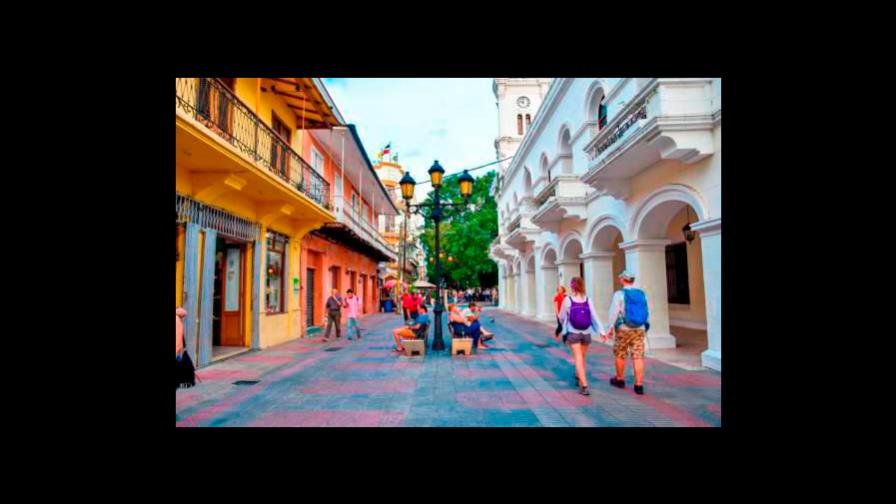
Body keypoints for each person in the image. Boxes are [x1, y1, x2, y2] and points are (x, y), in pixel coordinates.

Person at [558, 277, 606, 396]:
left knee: (578, 358)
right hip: (586, 332)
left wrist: (564, 324)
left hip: (573, 332)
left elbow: (561, 316)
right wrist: (602, 331)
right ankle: (578, 376)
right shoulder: (588, 299)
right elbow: (594, 316)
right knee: (582, 358)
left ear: (572, 286)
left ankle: (584, 386)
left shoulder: (568, 300)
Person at [606, 270, 650, 395]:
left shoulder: (619, 294)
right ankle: (639, 385)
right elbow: (647, 311)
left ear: (623, 280)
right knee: (638, 356)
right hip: (639, 329)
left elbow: (614, 313)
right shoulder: (642, 294)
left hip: (624, 329)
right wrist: (645, 326)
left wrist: (609, 328)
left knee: (620, 354)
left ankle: (619, 379)